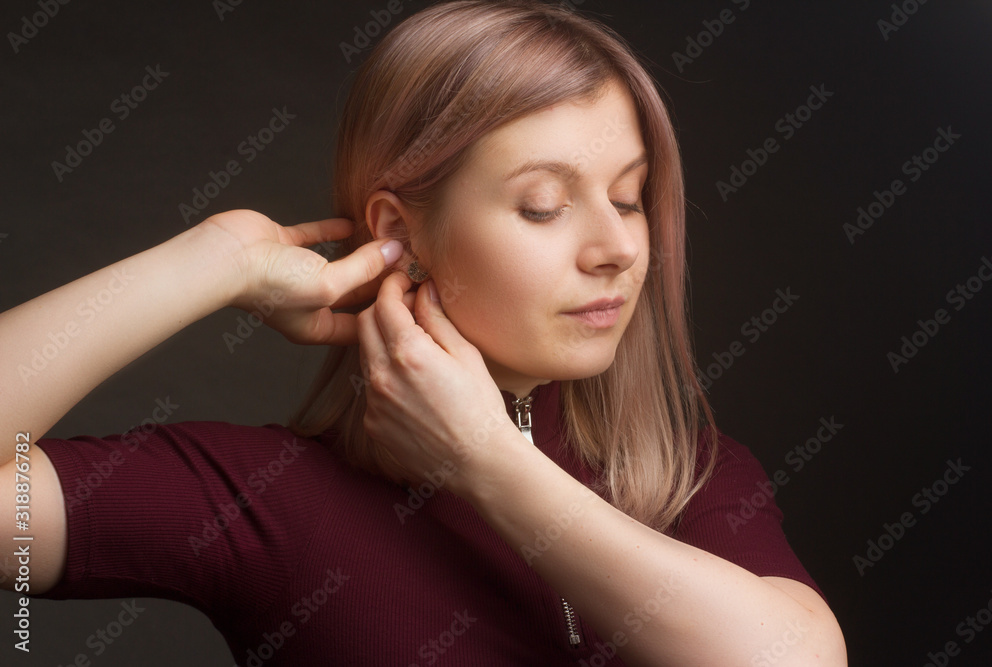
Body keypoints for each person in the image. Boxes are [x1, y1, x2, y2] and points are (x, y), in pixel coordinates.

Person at [1, 0, 847, 664]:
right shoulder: (262, 497)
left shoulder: (692, 474)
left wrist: (484, 460)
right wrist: (214, 262)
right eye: (545, 205)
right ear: (401, 231)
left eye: (629, 197)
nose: (621, 247)